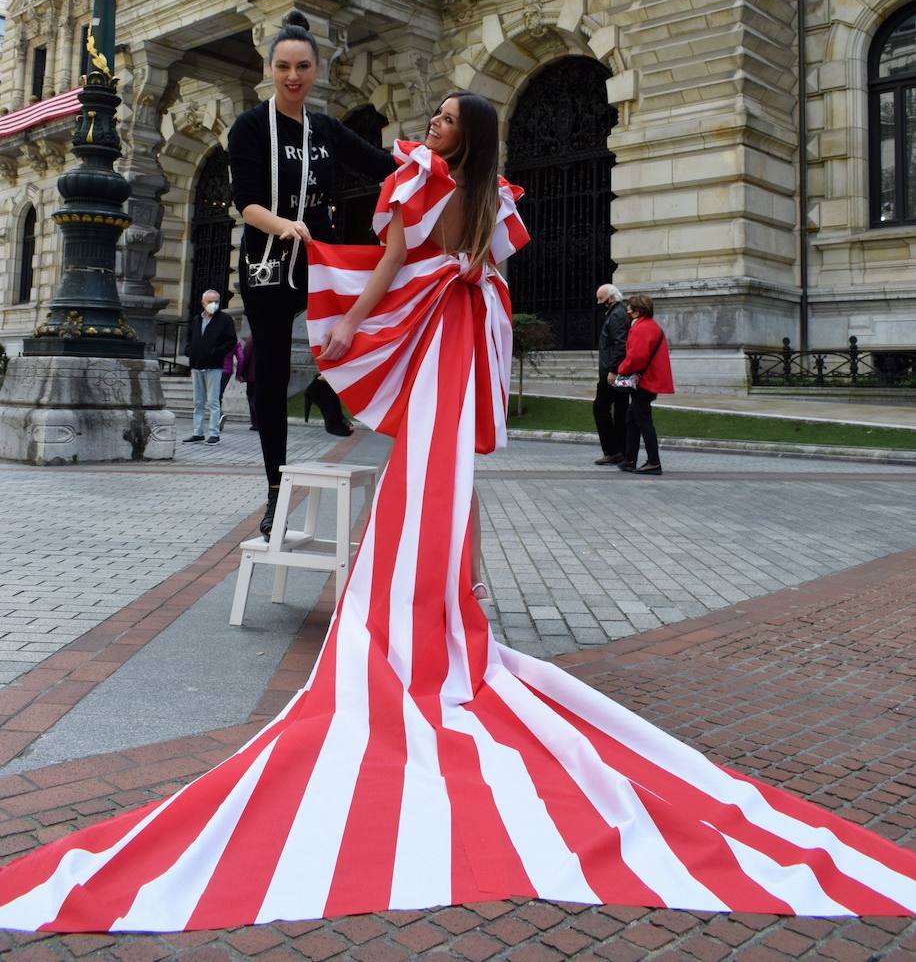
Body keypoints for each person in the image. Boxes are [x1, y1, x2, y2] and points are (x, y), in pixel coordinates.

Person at [0, 96, 913, 929]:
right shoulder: (424, 187)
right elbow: (397, 257)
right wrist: (357, 318)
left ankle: (431, 618)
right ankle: (426, 615)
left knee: (438, 482)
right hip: (442, 335)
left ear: (468, 137)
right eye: (431, 119)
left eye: (443, 121)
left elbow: (475, 274)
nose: (431, 127)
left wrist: (425, 312)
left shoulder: (485, 197)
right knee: (425, 479)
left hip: (458, 338)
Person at [227, 9, 395, 537]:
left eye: (302, 66)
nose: (292, 76)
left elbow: (381, 165)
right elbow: (246, 202)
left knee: (367, 318)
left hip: (321, 258)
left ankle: (326, 388)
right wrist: (284, 225)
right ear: (270, 69)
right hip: (267, 262)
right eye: (283, 66)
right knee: (272, 374)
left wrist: (433, 165)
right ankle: (275, 489)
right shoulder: (250, 126)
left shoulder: (325, 128)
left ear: (316, 70)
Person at [613, 292, 675, 474]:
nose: (628, 310)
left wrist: (621, 369)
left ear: (639, 310)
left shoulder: (641, 328)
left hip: (644, 381)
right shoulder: (650, 326)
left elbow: (637, 357)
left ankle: (653, 462)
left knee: (643, 420)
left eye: (630, 308)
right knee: (632, 418)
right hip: (648, 379)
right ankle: (630, 459)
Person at [182, 289, 237, 444]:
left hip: (213, 366)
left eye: (217, 301)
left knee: (213, 401)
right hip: (196, 365)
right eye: (210, 301)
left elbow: (231, 341)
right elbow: (190, 337)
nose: (214, 304)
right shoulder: (197, 319)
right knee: (198, 402)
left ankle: (214, 433)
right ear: (203, 303)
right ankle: (197, 432)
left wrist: (216, 353)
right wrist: (189, 351)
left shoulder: (225, 320)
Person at [592, 282, 629, 464]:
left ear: (612, 298)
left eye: (601, 299)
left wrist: (613, 370)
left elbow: (620, 345)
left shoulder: (616, 315)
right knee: (620, 410)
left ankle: (613, 450)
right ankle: (620, 450)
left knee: (600, 409)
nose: (599, 303)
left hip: (612, 372)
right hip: (616, 370)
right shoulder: (618, 313)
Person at [218, 337, 245, 432]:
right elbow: (241, 358)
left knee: (214, 395)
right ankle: (218, 417)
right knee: (219, 394)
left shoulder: (218, 337)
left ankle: (219, 416)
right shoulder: (235, 341)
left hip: (215, 370)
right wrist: (239, 374)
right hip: (227, 371)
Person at [240, 333, 257, 430]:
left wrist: (242, 372)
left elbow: (245, 355)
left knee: (252, 398)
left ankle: (256, 422)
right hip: (265, 377)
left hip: (253, 376)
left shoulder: (252, 338)